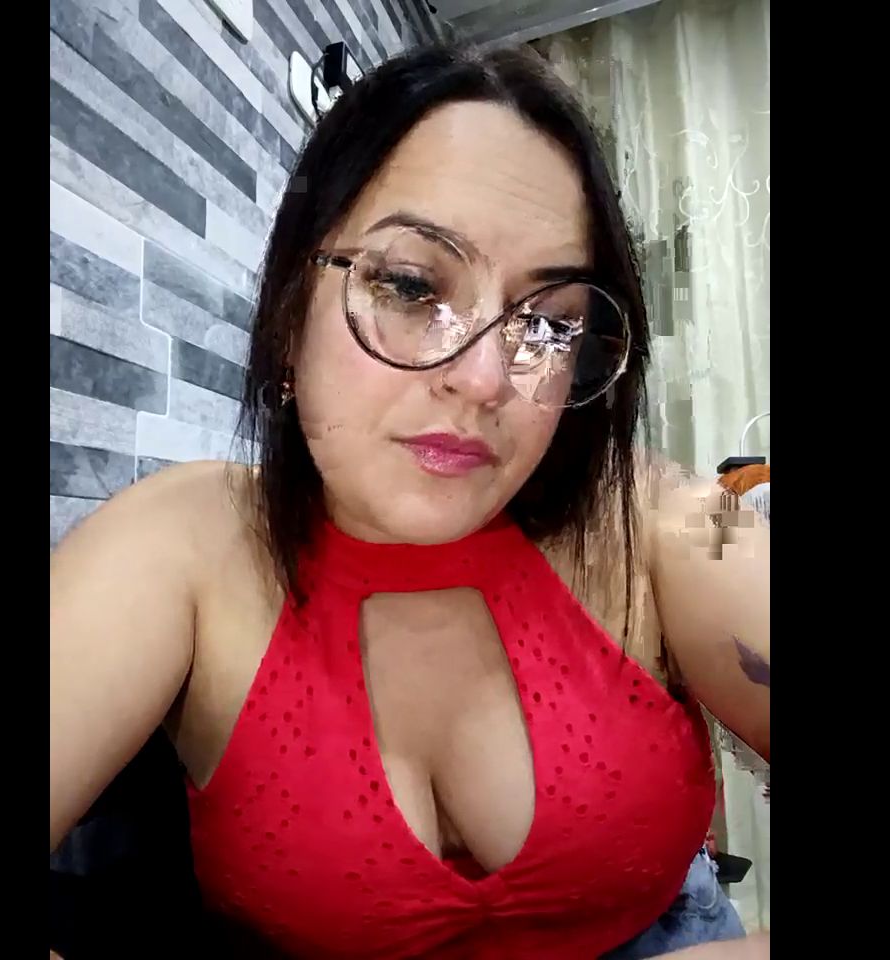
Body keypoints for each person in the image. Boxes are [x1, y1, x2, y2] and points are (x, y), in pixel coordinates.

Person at [50, 43, 769, 959]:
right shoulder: (179, 544)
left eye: (550, 324)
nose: (485, 379)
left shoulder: (671, 517)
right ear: (289, 311)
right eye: (411, 285)